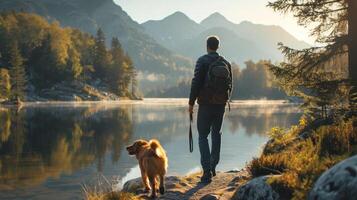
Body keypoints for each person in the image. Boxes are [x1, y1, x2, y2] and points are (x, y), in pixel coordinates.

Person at [188, 36, 232, 183]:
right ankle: (213, 167)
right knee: (216, 134)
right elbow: (230, 85)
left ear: (207, 46)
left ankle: (206, 172)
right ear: (218, 47)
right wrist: (224, 100)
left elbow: (196, 82)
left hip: (205, 104)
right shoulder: (226, 63)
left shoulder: (202, 60)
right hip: (220, 105)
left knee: (202, 137)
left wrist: (191, 103)